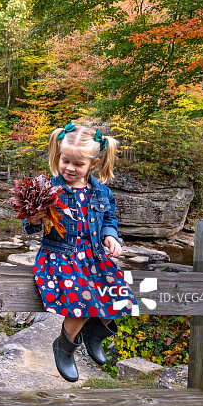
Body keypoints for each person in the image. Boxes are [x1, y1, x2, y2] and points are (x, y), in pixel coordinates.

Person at [23, 121, 138, 382]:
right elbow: (27, 224)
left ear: (93, 165)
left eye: (78, 164)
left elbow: (109, 219)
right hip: (60, 257)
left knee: (121, 297)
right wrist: (35, 218)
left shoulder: (102, 192)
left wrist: (111, 236)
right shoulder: (49, 190)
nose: (70, 168)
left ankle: (94, 334)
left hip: (94, 257)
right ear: (57, 156)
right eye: (65, 161)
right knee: (84, 301)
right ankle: (66, 345)